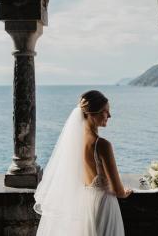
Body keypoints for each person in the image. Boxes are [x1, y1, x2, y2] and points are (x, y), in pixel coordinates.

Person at [34, 90, 132, 236]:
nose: (109, 116)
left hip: (85, 204)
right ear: (92, 113)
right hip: (103, 206)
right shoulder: (102, 145)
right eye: (106, 111)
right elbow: (118, 190)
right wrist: (125, 192)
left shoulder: (74, 142)